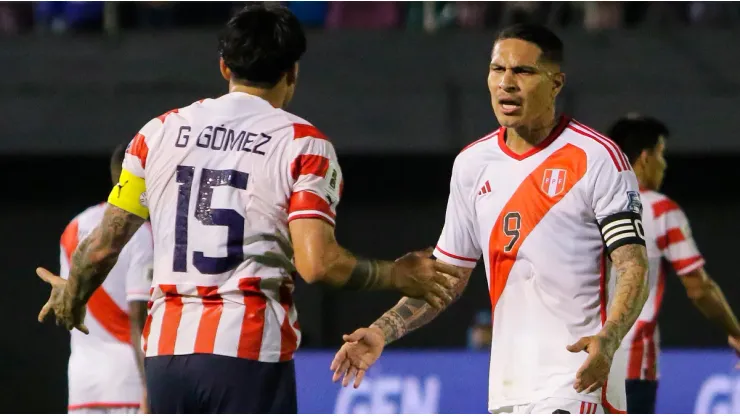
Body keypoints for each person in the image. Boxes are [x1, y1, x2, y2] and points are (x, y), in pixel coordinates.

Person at [34, 4, 461, 414]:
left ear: (224, 66)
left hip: (166, 355)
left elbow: (105, 244)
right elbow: (318, 265)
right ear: (293, 71)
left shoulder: (157, 133)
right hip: (247, 350)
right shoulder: (303, 145)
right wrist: (397, 274)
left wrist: (73, 295)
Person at [330, 24, 650, 414]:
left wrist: (611, 338)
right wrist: (381, 330)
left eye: (523, 72)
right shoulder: (472, 165)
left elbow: (633, 264)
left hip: (578, 381)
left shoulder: (597, 157)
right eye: (497, 70)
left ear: (556, 83)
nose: (507, 83)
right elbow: (447, 276)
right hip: (509, 390)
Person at [606, 115, 740, 414]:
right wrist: (736, 332)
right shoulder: (660, 210)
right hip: (632, 363)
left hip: (582, 362)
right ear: (644, 158)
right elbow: (699, 288)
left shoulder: (585, 206)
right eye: (661, 154)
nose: (664, 164)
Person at [59, 145, 152, 414]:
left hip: (82, 381)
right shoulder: (140, 234)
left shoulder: (74, 227)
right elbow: (139, 320)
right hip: (128, 383)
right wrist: (149, 389)